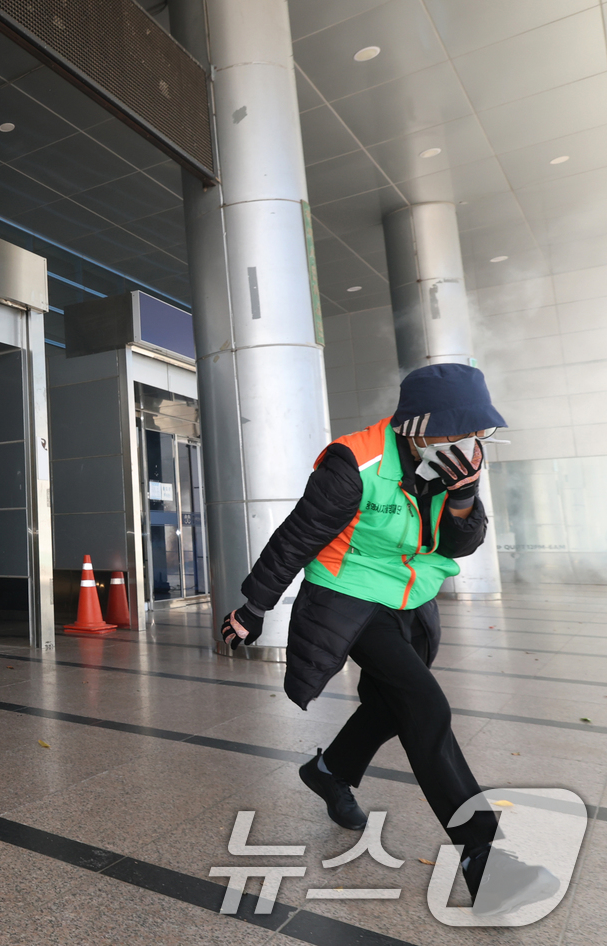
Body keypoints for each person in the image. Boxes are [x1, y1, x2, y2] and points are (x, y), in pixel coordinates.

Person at [220, 363, 558, 917]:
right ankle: (485, 861)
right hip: (348, 593)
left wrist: (463, 500)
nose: (466, 445)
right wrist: (254, 607)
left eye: (474, 434)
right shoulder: (353, 463)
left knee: (389, 706)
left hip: (411, 594)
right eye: (453, 433)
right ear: (417, 427)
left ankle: (329, 772)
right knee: (425, 706)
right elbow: (297, 536)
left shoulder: (458, 464)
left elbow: (462, 543)